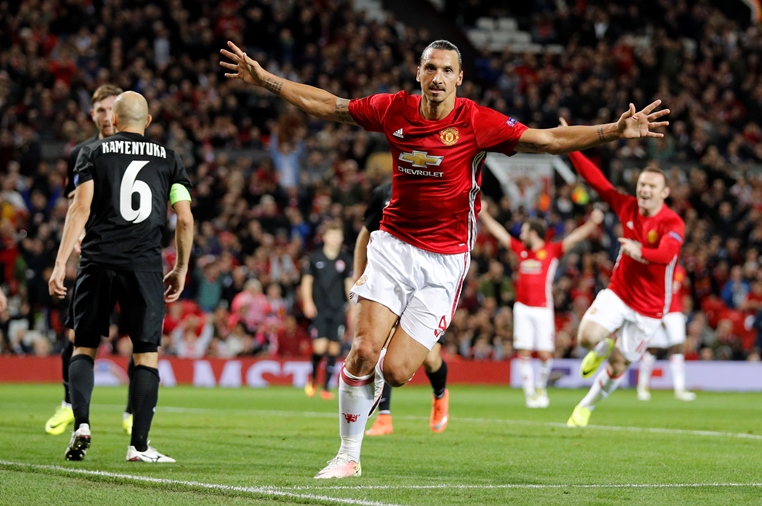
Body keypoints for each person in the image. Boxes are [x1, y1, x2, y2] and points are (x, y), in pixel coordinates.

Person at [220, 38, 668, 478]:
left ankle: (377, 390)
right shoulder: (393, 108)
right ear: (419, 73)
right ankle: (348, 456)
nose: (437, 77)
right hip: (393, 244)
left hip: (445, 260)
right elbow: (331, 106)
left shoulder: (477, 122)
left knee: (395, 371)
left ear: (459, 78)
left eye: (447, 70)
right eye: (430, 68)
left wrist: (613, 130)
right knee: (362, 351)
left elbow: (547, 140)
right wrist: (268, 82)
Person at [48, 91, 193, 462]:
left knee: (84, 347)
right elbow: (186, 218)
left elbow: (79, 208)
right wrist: (180, 268)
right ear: (147, 122)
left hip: (97, 262)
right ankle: (139, 446)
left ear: (113, 117)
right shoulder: (170, 160)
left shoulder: (92, 153)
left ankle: (81, 423)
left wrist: (60, 263)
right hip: (144, 267)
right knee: (146, 355)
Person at [563, 135, 684, 428]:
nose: (644, 189)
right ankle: (602, 345)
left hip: (651, 308)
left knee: (619, 365)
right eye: (642, 183)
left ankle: (585, 407)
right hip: (619, 292)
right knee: (585, 338)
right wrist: (571, 148)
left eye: (651, 186)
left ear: (664, 192)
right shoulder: (627, 206)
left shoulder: (672, 223)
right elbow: (598, 182)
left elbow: (667, 254)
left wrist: (638, 250)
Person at [45, 84, 139, 437]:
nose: (105, 115)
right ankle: (71, 404)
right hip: (96, 257)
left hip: (129, 257)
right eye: (99, 109)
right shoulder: (83, 152)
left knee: (137, 338)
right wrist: (75, 242)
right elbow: (77, 204)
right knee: (76, 334)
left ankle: (133, 411)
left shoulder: (136, 150)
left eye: (110, 108)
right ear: (93, 114)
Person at [479, 201, 604, 408]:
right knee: (524, 352)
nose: (521, 235)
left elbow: (574, 238)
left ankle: (540, 388)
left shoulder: (552, 250)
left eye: (524, 231)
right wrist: (484, 215)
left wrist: (592, 223)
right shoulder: (520, 250)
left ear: (534, 233)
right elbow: (500, 234)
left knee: (545, 354)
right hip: (522, 308)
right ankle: (530, 395)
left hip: (543, 308)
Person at [358, 182, 450, 436]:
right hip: (392, 279)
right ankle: (384, 418)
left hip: (429, 283)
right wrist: (358, 279)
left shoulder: (439, 187)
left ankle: (440, 394)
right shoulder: (384, 192)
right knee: (383, 345)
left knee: (431, 359)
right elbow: (364, 236)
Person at [301, 220, 353, 400]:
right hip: (320, 309)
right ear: (324, 237)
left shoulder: (345, 260)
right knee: (319, 347)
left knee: (333, 349)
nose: (334, 239)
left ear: (341, 238)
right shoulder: (315, 258)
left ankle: (325, 388)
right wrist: (307, 302)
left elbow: (348, 284)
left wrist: (353, 306)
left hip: (338, 309)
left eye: (337, 235)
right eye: (331, 235)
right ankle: (313, 379)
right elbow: (307, 281)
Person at [636, 263, 696, 401]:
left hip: (675, 312)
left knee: (677, 348)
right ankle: (642, 387)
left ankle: (679, 389)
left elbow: (679, 290)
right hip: (656, 311)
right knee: (653, 349)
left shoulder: (680, 270)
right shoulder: (654, 268)